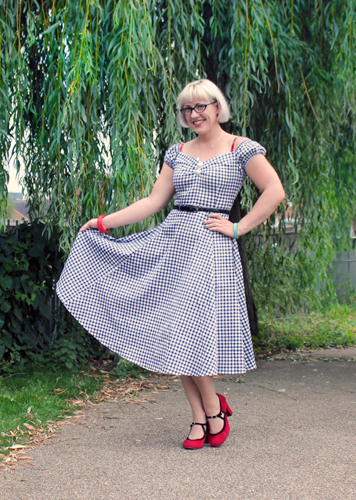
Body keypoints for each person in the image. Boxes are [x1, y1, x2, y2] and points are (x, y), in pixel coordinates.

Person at [56, 79, 285, 449]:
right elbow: (154, 201)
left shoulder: (241, 148)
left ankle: (213, 409)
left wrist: (239, 227)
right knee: (173, 329)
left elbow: (274, 191)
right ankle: (202, 415)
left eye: (201, 106)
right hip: (173, 242)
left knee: (190, 331)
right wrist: (104, 222)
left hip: (212, 247)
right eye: (186, 109)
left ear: (217, 107)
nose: (194, 114)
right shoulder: (177, 152)